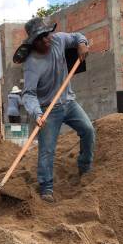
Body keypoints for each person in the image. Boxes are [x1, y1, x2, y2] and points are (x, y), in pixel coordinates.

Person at [19, 17, 95, 203]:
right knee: (47, 150)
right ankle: (46, 187)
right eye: (42, 37)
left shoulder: (58, 40)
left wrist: (82, 43)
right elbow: (28, 94)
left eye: (47, 34)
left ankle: (84, 168)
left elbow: (77, 36)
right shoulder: (31, 64)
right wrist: (37, 113)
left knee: (88, 130)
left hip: (68, 102)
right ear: (34, 42)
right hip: (47, 109)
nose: (47, 39)